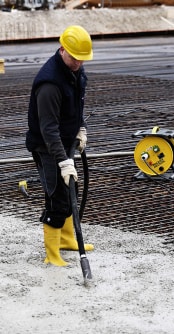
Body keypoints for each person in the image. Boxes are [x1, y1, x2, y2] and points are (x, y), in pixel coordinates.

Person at [26, 25, 95, 266]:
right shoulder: (50, 83)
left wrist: (81, 127)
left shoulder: (75, 71)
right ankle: (52, 253)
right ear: (62, 49)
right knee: (57, 197)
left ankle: (67, 240)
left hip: (64, 141)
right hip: (47, 146)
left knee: (71, 192)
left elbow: (76, 105)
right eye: (75, 58)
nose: (79, 63)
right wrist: (63, 161)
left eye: (82, 59)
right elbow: (48, 129)